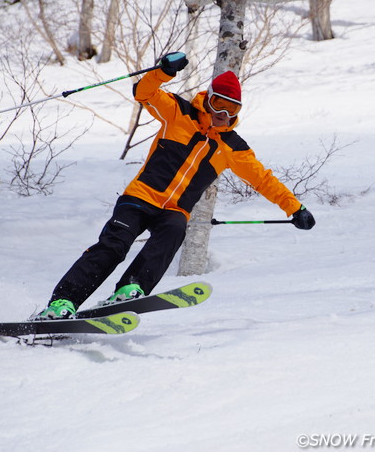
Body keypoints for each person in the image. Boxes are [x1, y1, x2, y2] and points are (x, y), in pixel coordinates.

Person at [36, 52, 316, 319]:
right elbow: (143, 93)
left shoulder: (232, 147)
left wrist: (294, 207)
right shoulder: (178, 113)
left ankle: (130, 289)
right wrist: (163, 72)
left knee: (172, 233)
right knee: (113, 246)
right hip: (140, 197)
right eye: (220, 104)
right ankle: (63, 302)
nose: (223, 113)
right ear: (209, 99)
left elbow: (263, 179)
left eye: (232, 109)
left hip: (174, 210)